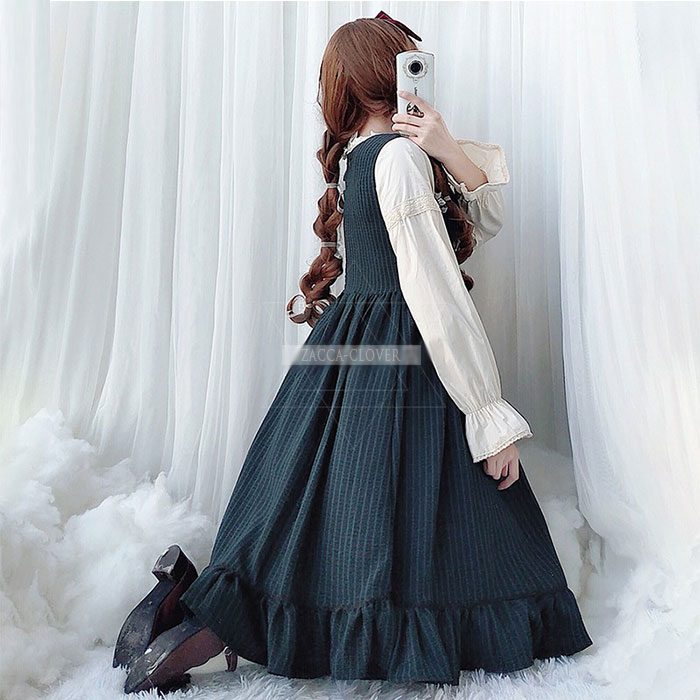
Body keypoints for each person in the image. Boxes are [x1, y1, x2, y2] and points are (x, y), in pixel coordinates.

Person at [117, 13, 593, 694]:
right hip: (404, 342)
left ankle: (195, 613)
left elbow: (474, 223)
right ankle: (214, 627)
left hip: (353, 338)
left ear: (343, 87)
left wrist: (448, 150)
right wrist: (487, 414)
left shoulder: (360, 156)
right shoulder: (398, 160)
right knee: (433, 510)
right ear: (389, 75)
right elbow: (436, 293)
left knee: (322, 500)